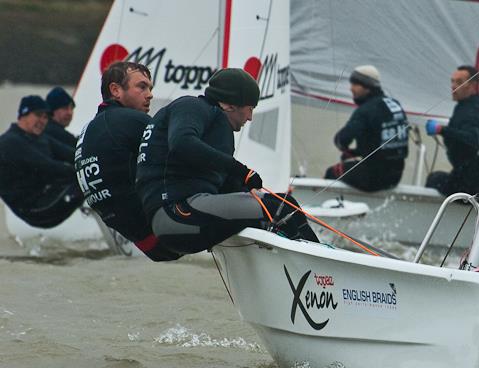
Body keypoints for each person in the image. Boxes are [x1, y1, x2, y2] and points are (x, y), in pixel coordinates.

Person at [136, 68, 318, 255]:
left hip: (189, 210)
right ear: (230, 105)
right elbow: (182, 144)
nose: (250, 117)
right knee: (278, 208)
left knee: (285, 202)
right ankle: (318, 267)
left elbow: (221, 184)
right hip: (174, 213)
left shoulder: (217, 128)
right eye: (250, 108)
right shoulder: (191, 106)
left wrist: (243, 186)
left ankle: (314, 260)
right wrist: (241, 171)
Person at [75, 61, 181, 261]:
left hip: (143, 241)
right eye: (142, 87)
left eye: (150, 88)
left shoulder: (87, 130)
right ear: (115, 90)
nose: (149, 94)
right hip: (166, 232)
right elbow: (185, 153)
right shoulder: (129, 120)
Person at [0, 95, 82, 228]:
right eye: (38, 115)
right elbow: (48, 166)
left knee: (90, 172)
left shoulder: (41, 138)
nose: (42, 120)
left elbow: (74, 155)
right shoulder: (10, 142)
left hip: (51, 196)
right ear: (23, 114)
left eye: (45, 117)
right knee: (86, 179)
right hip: (36, 210)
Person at [323, 65, 408, 192]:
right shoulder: (394, 104)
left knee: (331, 172)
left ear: (368, 87)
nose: (351, 88)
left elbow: (342, 140)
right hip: (395, 177)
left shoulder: (365, 110)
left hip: (373, 179)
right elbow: (383, 145)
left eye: (356, 84)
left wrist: (346, 150)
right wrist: (356, 152)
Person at [424, 65, 479, 197]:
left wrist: (440, 129)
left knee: (434, 179)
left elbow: (472, 139)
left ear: (473, 85)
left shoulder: (468, 110)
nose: (453, 86)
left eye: (459, 82)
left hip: (469, 183)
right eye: (452, 81)